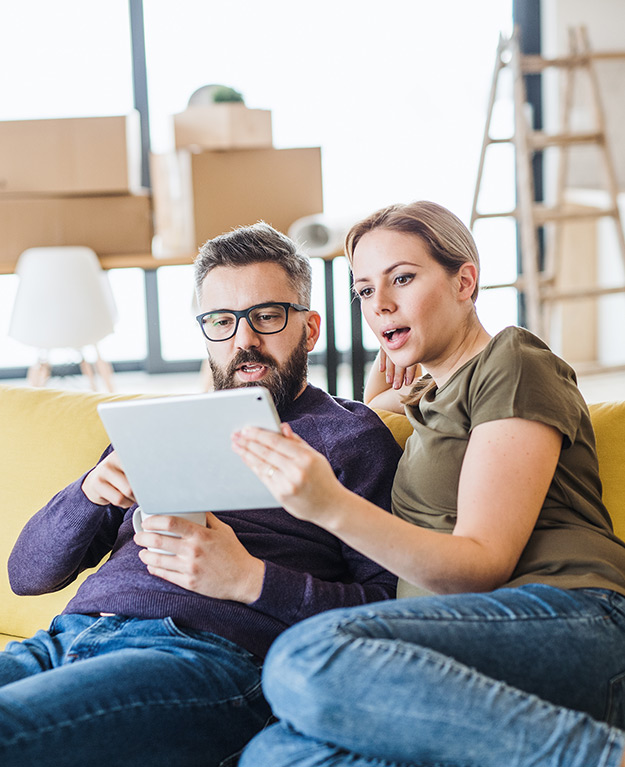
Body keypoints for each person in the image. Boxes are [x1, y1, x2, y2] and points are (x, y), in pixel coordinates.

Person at [234, 201, 625, 767]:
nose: (381, 305)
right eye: (365, 291)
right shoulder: (426, 403)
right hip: (454, 658)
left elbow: (481, 565)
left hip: (569, 619)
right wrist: (374, 406)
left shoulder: (512, 361)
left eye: (403, 279)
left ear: (465, 280)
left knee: (306, 656)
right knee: (275, 754)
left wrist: (330, 506)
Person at [1, 222, 403, 767]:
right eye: (222, 320)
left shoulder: (351, 438)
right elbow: (27, 577)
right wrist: (88, 494)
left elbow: (382, 611)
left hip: (202, 654)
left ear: (309, 329)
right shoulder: (155, 427)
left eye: (266, 316)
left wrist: (249, 580)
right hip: (63, 639)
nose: (244, 341)